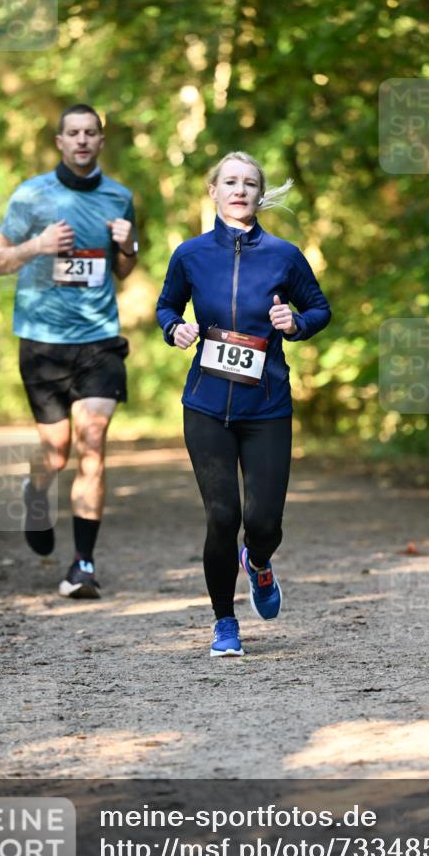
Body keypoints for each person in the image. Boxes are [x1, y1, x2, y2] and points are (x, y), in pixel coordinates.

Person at [156, 151, 331, 656]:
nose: (239, 190)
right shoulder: (190, 255)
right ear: (213, 191)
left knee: (264, 524)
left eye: (249, 183)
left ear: (259, 194)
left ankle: (257, 562)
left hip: (266, 407)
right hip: (206, 406)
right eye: (230, 182)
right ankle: (225, 623)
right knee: (221, 516)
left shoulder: (283, 255)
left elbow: (319, 308)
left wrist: (296, 324)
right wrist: (175, 328)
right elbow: (167, 305)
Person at [0, 103, 138, 598]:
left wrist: (129, 247)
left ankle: (82, 565)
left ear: (100, 141)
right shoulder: (31, 195)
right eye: (73, 133)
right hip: (43, 342)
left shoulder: (119, 197)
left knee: (93, 442)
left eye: (90, 133)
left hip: (99, 340)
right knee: (55, 455)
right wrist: (38, 245)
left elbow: (123, 270)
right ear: (59, 141)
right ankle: (36, 494)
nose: (82, 140)